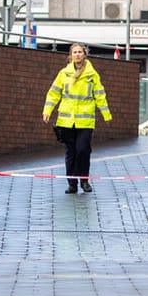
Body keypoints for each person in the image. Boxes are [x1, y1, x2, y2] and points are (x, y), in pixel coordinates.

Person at [41, 42, 111, 194]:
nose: (78, 54)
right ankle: (72, 184)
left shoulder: (92, 75)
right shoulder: (63, 74)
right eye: (75, 52)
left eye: (80, 52)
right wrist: (47, 110)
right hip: (66, 121)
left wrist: (106, 114)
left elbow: (100, 95)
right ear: (71, 55)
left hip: (85, 121)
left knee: (83, 150)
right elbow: (53, 93)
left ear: (84, 54)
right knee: (71, 152)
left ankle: (84, 181)